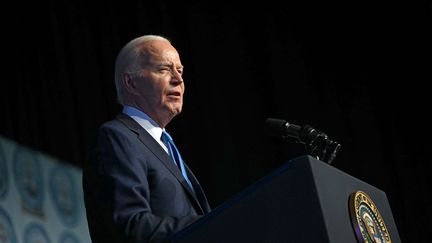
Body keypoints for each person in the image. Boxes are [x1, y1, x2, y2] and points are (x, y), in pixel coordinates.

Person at [82, 35, 211, 243]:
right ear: (131, 82)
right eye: (164, 69)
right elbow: (130, 225)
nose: (178, 79)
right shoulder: (117, 137)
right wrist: (210, 224)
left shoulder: (166, 148)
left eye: (180, 71)